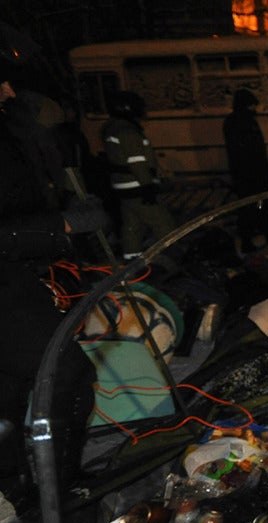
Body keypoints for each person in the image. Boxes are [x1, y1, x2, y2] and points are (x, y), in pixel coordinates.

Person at [0, 58, 103, 497]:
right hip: (4, 280)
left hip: (14, 271)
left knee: (12, 387)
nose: (8, 92)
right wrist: (58, 226)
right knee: (66, 370)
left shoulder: (10, 134)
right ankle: (55, 490)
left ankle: (19, 487)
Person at [101, 90, 176, 260]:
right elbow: (137, 161)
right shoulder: (127, 131)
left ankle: (132, 263)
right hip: (137, 187)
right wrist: (148, 186)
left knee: (132, 226)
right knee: (164, 224)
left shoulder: (115, 129)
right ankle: (173, 261)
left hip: (125, 189)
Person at [223, 88, 268, 252]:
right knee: (250, 207)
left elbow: (256, 149)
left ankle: (261, 234)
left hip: (253, 174)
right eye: (252, 105)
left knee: (259, 204)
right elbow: (245, 151)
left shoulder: (243, 121)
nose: (255, 109)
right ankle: (250, 238)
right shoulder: (239, 122)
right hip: (249, 175)